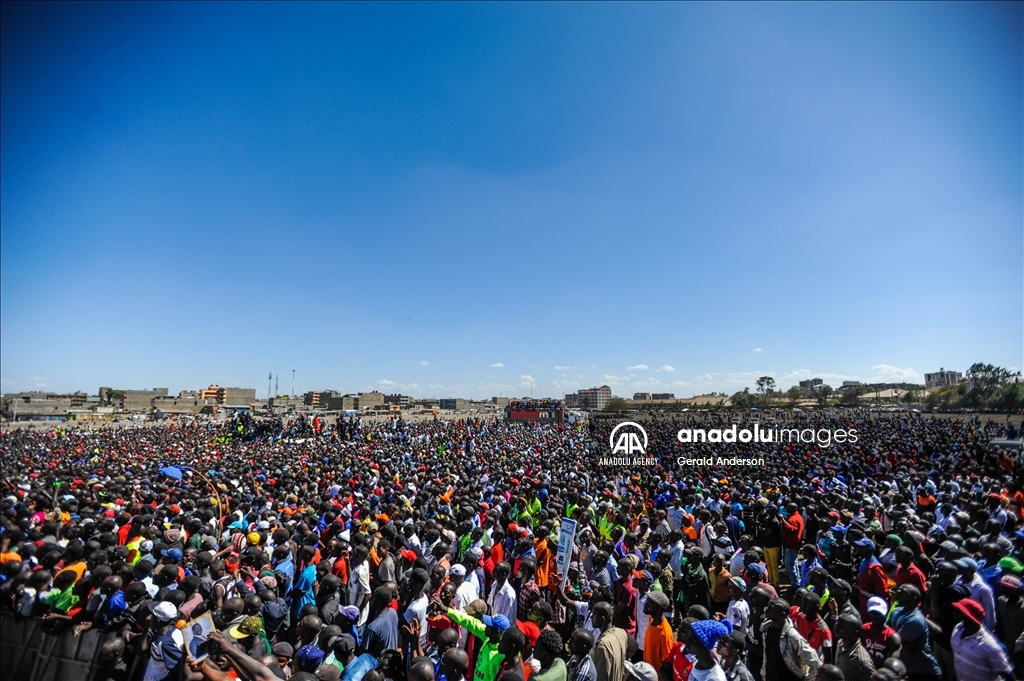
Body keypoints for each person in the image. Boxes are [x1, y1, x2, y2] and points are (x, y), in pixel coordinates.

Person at [949, 598, 1013, 681]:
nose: (955, 611)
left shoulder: (989, 645)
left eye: (959, 610)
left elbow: (1007, 673)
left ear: (968, 616)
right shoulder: (957, 629)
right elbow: (958, 660)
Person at [886, 585, 941, 681]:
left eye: (903, 590)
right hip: (909, 666)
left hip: (924, 671)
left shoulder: (915, 620)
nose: (899, 590)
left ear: (914, 598)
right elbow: (886, 630)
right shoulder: (897, 611)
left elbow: (895, 640)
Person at [761, 598, 821, 681]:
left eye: (771, 608)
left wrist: (807, 679)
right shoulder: (767, 630)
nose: (766, 609)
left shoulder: (793, 637)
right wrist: (764, 674)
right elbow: (766, 656)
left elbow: (816, 664)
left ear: (782, 615)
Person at [591, 601, 628, 681]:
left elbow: (602, 677)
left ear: (602, 619)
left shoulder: (603, 645)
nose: (591, 617)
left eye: (593, 615)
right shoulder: (621, 632)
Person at [834, 612, 875, 681]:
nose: (836, 628)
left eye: (842, 627)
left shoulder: (861, 661)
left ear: (855, 633)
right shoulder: (840, 643)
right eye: (837, 623)